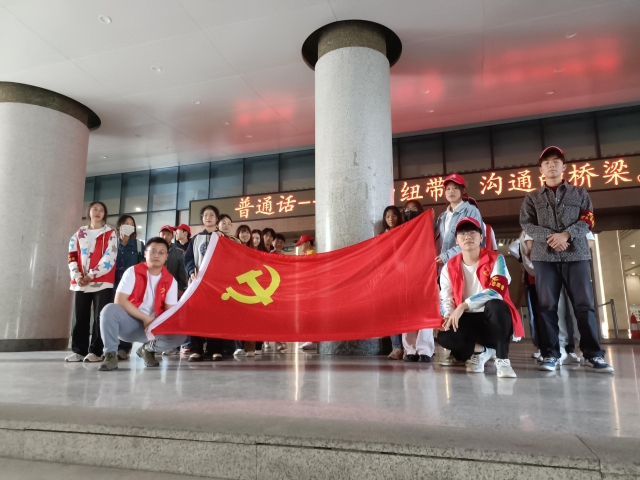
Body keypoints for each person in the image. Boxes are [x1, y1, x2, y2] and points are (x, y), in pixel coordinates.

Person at [520, 146, 613, 373]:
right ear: (541, 169)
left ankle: (593, 354)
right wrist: (552, 238)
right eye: (547, 162)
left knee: (584, 305)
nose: (551, 165)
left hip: (577, 254)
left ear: (564, 166)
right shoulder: (532, 197)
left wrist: (566, 235)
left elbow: (588, 220)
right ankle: (550, 354)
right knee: (546, 306)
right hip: (544, 257)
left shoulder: (580, 193)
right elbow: (526, 223)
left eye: (556, 161)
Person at [437, 217, 523, 378]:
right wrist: (448, 314)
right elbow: (446, 297)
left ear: (481, 237)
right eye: (462, 234)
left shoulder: (497, 259)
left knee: (496, 305)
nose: (467, 237)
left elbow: (496, 290)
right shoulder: (449, 266)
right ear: (456, 241)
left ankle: (502, 359)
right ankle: (482, 350)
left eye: (472, 232)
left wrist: (463, 305)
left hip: (493, 319)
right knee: (444, 336)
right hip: (468, 320)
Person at [98, 237, 186, 371]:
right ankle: (110, 355)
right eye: (153, 251)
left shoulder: (171, 281)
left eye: (161, 252)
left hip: (154, 328)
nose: (157, 255)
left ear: (166, 256)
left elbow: (170, 312)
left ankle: (148, 349)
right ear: (145, 253)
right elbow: (120, 301)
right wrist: (146, 319)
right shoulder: (132, 272)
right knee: (109, 309)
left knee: (180, 335)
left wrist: (156, 323)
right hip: (129, 324)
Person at [434, 174, 484, 367]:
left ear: (463, 191)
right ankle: (457, 351)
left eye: (455, 188)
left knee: (467, 305)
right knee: (449, 306)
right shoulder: (442, 217)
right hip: (446, 269)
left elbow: (472, 239)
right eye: (447, 188)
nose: (451, 191)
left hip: (465, 264)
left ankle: (477, 350)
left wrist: (447, 256)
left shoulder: (470, 210)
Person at [66, 201, 117, 362]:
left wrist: (91, 275)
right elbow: (72, 256)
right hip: (80, 282)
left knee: (100, 318)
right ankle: (79, 351)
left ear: (105, 214)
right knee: (80, 317)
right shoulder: (79, 234)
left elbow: (110, 257)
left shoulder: (110, 233)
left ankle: (96, 351)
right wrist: (77, 276)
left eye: (101, 210)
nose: (98, 212)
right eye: (95, 209)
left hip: (102, 281)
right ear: (89, 212)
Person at [185, 205, 225, 362]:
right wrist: (191, 270)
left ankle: (215, 349)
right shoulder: (195, 239)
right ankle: (196, 349)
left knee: (216, 316)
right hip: (198, 283)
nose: (208, 217)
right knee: (196, 315)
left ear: (217, 219)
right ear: (202, 218)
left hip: (217, 284)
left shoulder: (223, 238)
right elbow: (188, 259)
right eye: (205, 215)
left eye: (212, 215)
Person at [113, 215, 145, 360]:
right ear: (119, 225)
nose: (129, 226)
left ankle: (124, 349)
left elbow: (143, 266)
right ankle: (110, 346)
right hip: (112, 285)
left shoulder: (138, 245)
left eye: (131, 224)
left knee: (127, 315)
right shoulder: (112, 244)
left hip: (130, 287)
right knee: (111, 314)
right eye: (126, 223)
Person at [381, 206, 405, 360]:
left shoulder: (406, 231)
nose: (391, 219)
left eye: (394, 215)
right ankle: (396, 347)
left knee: (404, 311)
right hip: (388, 278)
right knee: (391, 313)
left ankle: (409, 347)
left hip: (404, 276)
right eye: (388, 216)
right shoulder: (382, 236)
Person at [296, 234, 317, 351]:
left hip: (311, 290)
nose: (300, 247)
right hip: (307, 289)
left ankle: (313, 340)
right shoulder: (306, 255)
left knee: (310, 313)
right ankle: (310, 338)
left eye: (301, 244)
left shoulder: (312, 254)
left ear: (308, 243)